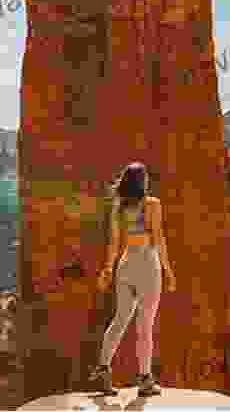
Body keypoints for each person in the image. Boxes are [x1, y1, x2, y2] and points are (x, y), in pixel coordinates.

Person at [89, 162, 176, 397]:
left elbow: (114, 244)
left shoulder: (119, 208)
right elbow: (159, 240)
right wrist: (168, 271)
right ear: (142, 181)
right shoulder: (152, 205)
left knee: (119, 319)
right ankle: (145, 380)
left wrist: (107, 270)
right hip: (147, 264)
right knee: (145, 324)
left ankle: (103, 369)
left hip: (125, 265)